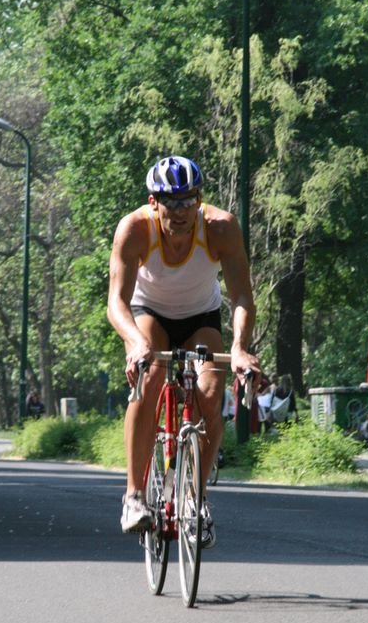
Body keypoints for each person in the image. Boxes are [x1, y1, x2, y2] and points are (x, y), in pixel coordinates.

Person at [107, 155, 260, 544]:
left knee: (211, 392)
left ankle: (196, 497)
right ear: (153, 201)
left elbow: (241, 295)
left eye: (187, 201)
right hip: (149, 315)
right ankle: (135, 496)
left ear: (199, 199)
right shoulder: (135, 229)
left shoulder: (221, 228)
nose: (179, 211)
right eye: (170, 202)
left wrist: (241, 349)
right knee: (151, 374)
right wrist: (135, 344)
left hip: (200, 317)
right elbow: (116, 302)